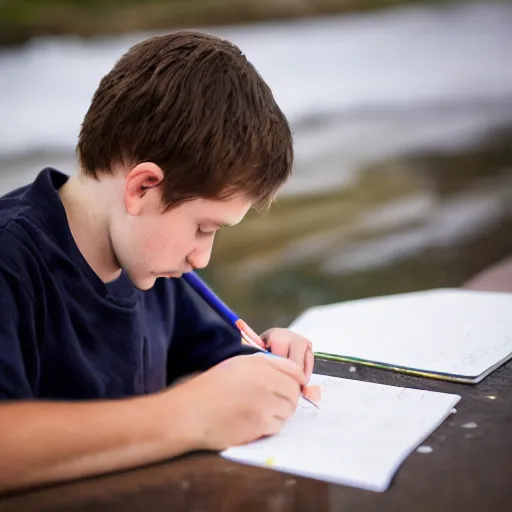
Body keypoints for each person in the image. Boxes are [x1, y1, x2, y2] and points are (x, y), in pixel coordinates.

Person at [0, 31, 318, 493]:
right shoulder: (11, 260)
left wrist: (267, 363)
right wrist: (188, 415)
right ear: (142, 187)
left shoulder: (153, 264)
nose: (201, 257)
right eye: (202, 228)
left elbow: (217, 358)